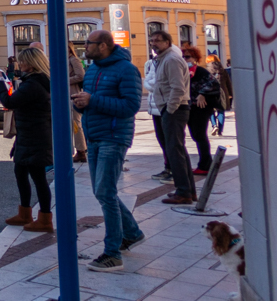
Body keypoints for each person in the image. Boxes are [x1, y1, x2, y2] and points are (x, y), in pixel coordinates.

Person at [73, 30, 145, 272]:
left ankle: (113, 253)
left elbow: (130, 106)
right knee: (101, 191)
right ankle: (132, 233)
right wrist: (81, 103)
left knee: (105, 192)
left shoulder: (126, 70)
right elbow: (91, 100)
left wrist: (92, 100)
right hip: (94, 136)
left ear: (103, 45)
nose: (85, 47)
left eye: (88, 43)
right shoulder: (93, 69)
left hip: (113, 137)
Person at [0, 47, 54, 233]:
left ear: (32, 63)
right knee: (21, 172)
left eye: (22, 61)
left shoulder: (33, 84)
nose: (20, 64)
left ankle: (44, 219)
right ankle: (25, 213)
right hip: (30, 134)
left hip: (35, 136)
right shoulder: (37, 81)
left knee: (38, 177)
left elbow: (9, 102)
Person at [150, 30, 195, 204]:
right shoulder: (162, 59)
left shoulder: (171, 60)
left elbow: (178, 88)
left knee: (174, 151)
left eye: (157, 40)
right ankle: (188, 190)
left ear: (167, 42)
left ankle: (183, 192)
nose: (153, 43)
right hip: (171, 109)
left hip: (175, 110)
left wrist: (170, 109)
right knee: (178, 150)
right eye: (152, 40)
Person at [185, 46, 219, 175]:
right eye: (183, 57)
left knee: (199, 135)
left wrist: (202, 93)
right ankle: (204, 164)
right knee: (195, 135)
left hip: (201, 108)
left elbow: (214, 84)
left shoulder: (200, 71)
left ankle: (205, 165)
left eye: (188, 57)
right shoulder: (183, 71)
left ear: (195, 58)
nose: (185, 59)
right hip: (188, 107)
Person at [143, 45, 171, 185]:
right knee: (162, 139)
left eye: (158, 42)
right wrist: (151, 84)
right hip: (154, 106)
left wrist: (151, 85)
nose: (154, 46)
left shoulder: (169, 60)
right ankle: (168, 167)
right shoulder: (151, 63)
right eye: (152, 43)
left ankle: (175, 171)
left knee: (171, 141)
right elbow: (148, 82)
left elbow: (158, 83)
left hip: (165, 106)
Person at [67, 41, 87, 163]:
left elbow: (81, 76)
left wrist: (64, 79)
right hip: (65, 95)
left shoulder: (73, 60)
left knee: (76, 124)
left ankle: (81, 151)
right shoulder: (63, 60)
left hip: (73, 95)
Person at [212, 60, 232, 136]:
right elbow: (228, 83)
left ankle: (214, 125)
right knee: (221, 111)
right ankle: (220, 131)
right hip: (223, 93)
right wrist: (230, 94)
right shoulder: (223, 71)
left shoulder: (207, 71)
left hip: (211, 93)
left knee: (211, 111)